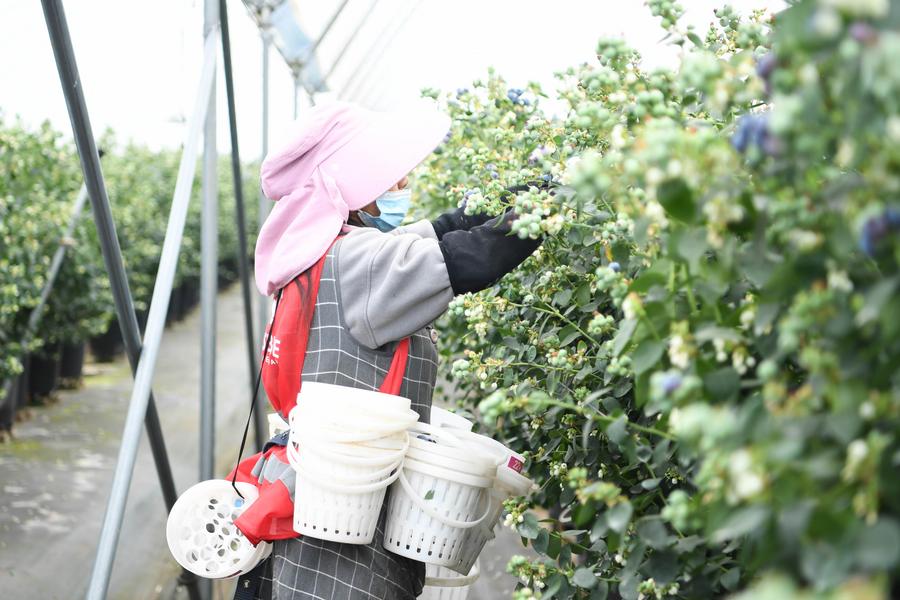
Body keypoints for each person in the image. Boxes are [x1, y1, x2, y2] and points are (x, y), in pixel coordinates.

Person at [237, 100, 543, 600]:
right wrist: (549, 207)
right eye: (388, 178)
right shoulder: (360, 261)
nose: (402, 186)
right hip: (347, 521)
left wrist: (483, 206)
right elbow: (472, 258)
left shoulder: (319, 251)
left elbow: (429, 236)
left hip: (320, 487)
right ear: (351, 187)